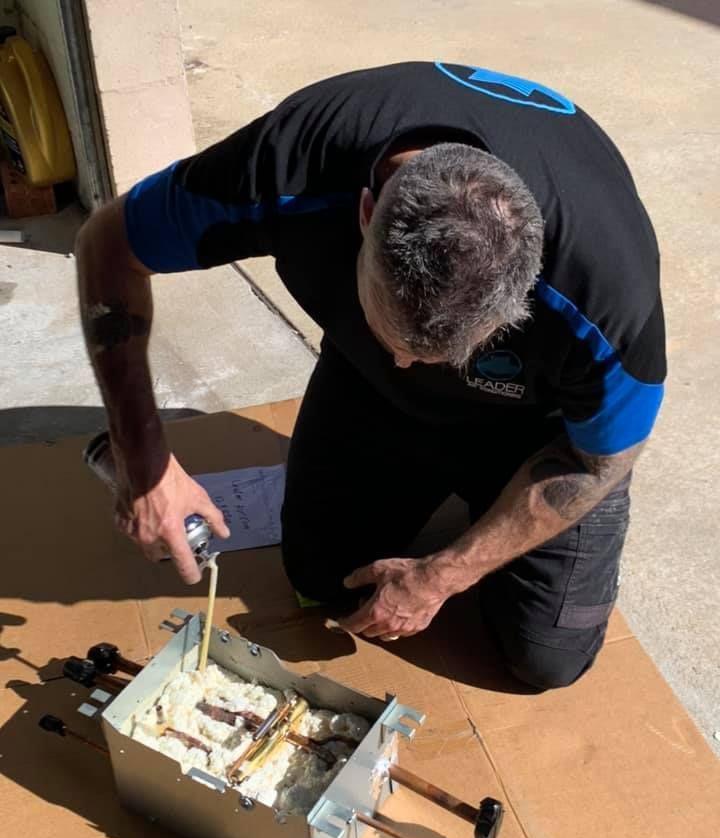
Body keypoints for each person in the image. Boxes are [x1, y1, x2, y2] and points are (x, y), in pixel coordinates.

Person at [76, 62, 665, 690]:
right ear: (365, 214)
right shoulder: (287, 168)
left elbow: (599, 462)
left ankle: (486, 496)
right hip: (369, 390)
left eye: (441, 356)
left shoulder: (603, 287)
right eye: (395, 337)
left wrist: (445, 574)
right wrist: (144, 459)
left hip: (537, 429)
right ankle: (417, 447)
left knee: (547, 660)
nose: (410, 363)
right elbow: (106, 243)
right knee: (321, 578)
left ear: (526, 291)